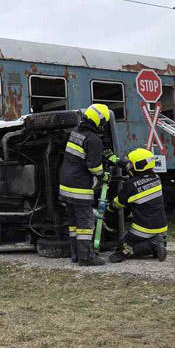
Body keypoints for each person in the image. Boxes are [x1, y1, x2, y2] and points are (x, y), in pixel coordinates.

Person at [59, 103, 118, 266]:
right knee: (85, 224)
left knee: (73, 223)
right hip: (79, 187)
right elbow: (93, 166)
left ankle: (76, 255)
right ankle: (86, 258)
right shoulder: (93, 140)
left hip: (65, 183)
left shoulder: (76, 132)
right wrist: (103, 174)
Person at [107, 148, 168, 263]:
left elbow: (118, 202)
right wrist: (114, 159)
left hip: (144, 229)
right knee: (145, 239)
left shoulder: (130, 185)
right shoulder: (156, 178)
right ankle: (158, 243)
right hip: (162, 227)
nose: (129, 165)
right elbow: (132, 169)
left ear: (137, 165)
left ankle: (152, 245)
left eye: (131, 163)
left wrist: (109, 207)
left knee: (122, 245)